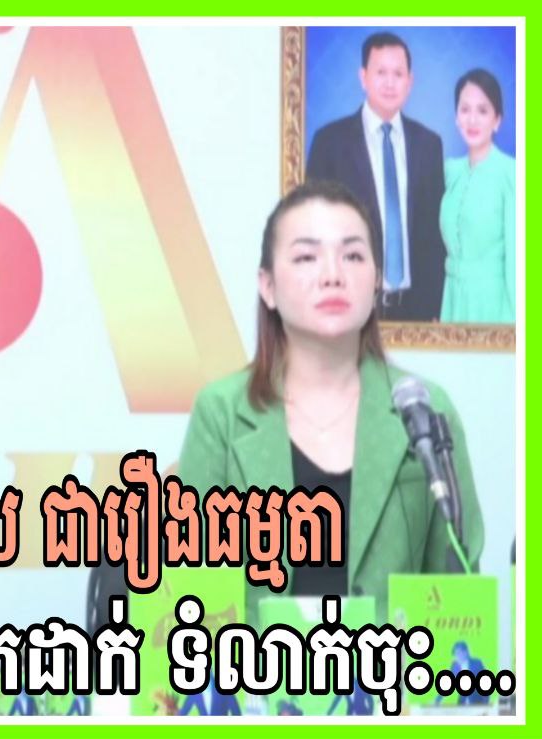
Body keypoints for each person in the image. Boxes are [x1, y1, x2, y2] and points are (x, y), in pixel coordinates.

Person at [176, 180, 484, 625]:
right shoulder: (221, 413)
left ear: (376, 280)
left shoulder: (424, 408)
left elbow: (457, 586)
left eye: (353, 256)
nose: (333, 274)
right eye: (306, 257)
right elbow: (191, 595)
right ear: (268, 286)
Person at [307, 32, 446, 321]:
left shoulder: (429, 144)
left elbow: (436, 235)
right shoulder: (330, 142)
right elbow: (313, 226)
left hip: (417, 311)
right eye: (380, 72)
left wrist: (434, 306)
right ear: (363, 77)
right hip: (350, 306)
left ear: (410, 81)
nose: (390, 82)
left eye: (398, 73)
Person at [439, 68, 516, 324]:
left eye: (482, 111)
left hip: (494, 306)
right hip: (452, 302)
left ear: (497, 120)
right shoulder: (449, 172)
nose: (472, 119)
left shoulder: (512, 174)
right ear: (456, 117)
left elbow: (519, 260)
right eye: (465, 109)